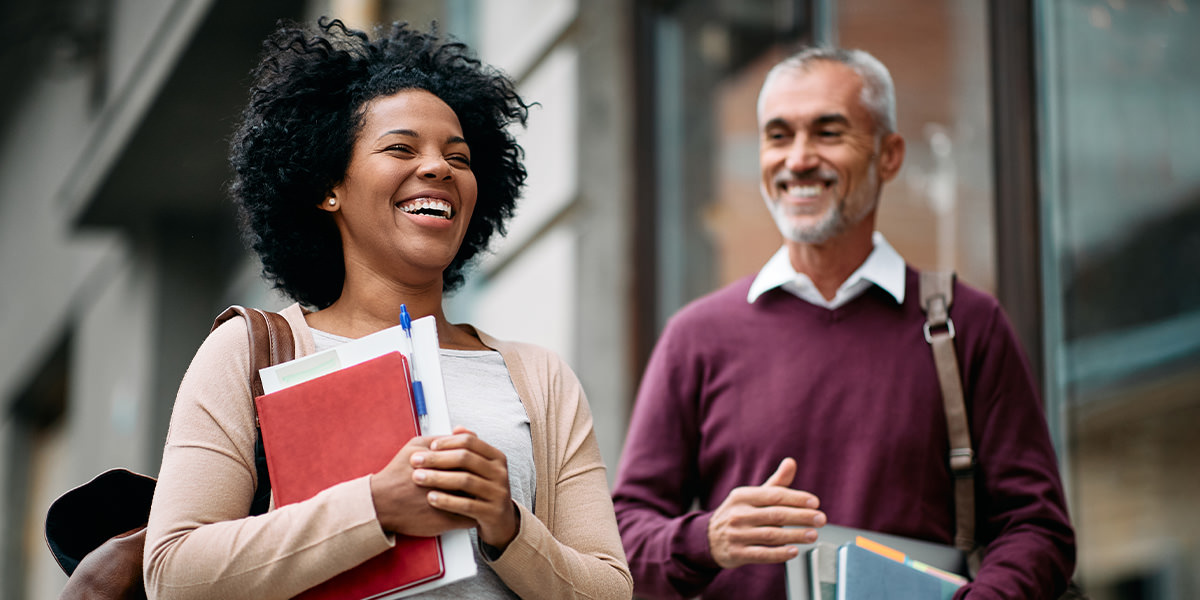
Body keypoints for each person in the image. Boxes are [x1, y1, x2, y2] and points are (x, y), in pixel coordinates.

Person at [143, 18, 632, 600]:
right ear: (329, 187)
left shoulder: (540, 378)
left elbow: (609, 590)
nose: (438, 168)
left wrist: (507, 524)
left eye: (459, 156)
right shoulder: (245, 354)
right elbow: (173, 574)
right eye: (401, 148)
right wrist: (375, 506)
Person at [612, 46, 1075, 599]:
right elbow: (620, 538)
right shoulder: (697, 336)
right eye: (778, 136)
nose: (799, 159)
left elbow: (1037, 527)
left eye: (828, 133)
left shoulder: (965, 324)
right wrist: (705, 538)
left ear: (889, 155)